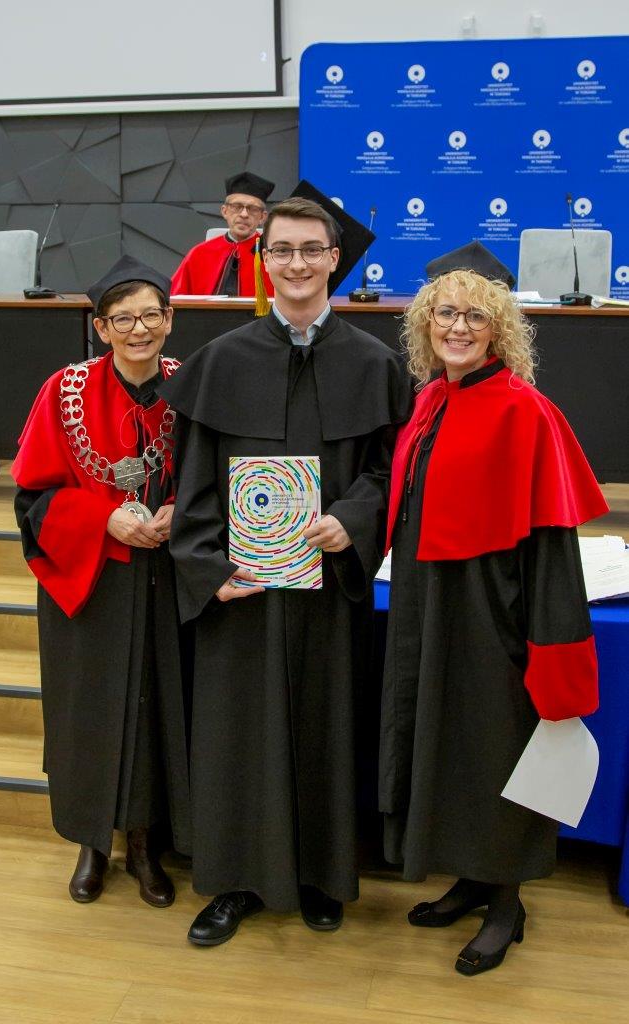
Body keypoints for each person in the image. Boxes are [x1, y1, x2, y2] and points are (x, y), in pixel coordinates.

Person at [159, 189, 410, 944]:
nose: (296, 263)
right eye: (282, 250)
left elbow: (388, 474)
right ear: (263, 261)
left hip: (327, 588)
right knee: (238, 735)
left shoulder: (374, 364)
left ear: (334, 260)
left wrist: (352, 521)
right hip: (242, 592)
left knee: (326, 728)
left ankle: (320, 877)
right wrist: (207, 567)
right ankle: (235, 883)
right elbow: (192, 484)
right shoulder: (220, 362)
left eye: (310, 250)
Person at [379, 241, 609, 975]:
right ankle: (472, 877)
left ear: (499, 328)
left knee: (493, 744)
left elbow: (552, 547)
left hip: (493, 611)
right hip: (428, 600)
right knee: (444, 742)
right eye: (446, 313)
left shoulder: (526, 411)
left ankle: (508, 901)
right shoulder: (430, 401)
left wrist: (547, 641)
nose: (458, 326)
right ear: (426, 322)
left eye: (475, 316)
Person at [12, 254, 190, 907]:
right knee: (85, 710)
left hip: (166, 575)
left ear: (169, 320)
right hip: (89, 579)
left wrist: (181, 509)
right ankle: (90, 843)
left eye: (150, 316)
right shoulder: (64, 392)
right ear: (101, 327)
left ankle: (143, 845)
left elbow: (217, 473)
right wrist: (104, 519)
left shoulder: (189, 386)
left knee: (152, 710)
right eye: (123, 319)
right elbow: (32, 497)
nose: (138, 329)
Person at [170, 171, 275, 297]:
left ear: (263, 217)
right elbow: (174, 299)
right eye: (237, 206)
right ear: (224, 211)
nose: (244, 214)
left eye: (253, 209)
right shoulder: (199, 254)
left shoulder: (272, 255)